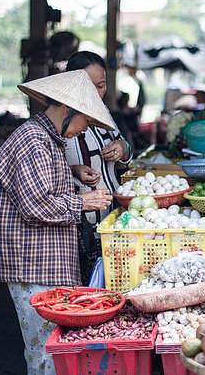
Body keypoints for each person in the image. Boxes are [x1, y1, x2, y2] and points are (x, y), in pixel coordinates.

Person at [0, 69, 115, 375]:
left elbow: (40, 182)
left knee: (54, 343)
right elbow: (36, 206)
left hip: (43, 259)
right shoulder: (34, 142)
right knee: (45, 348)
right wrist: (84, 201)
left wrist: (72, 170)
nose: (84, 130)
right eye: (85, 121)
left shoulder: (46, 138)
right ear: (67, 109)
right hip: (31, 262)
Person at [63, 51, 133, 285]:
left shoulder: (105, 115)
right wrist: (74, 169)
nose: (96, 93)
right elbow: (49, 167)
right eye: (88, 86)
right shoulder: (61, 119)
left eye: (101, 86)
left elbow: (127, 155)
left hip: (111, 214)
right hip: (79, 222)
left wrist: (121, 148)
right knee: (86, 283)